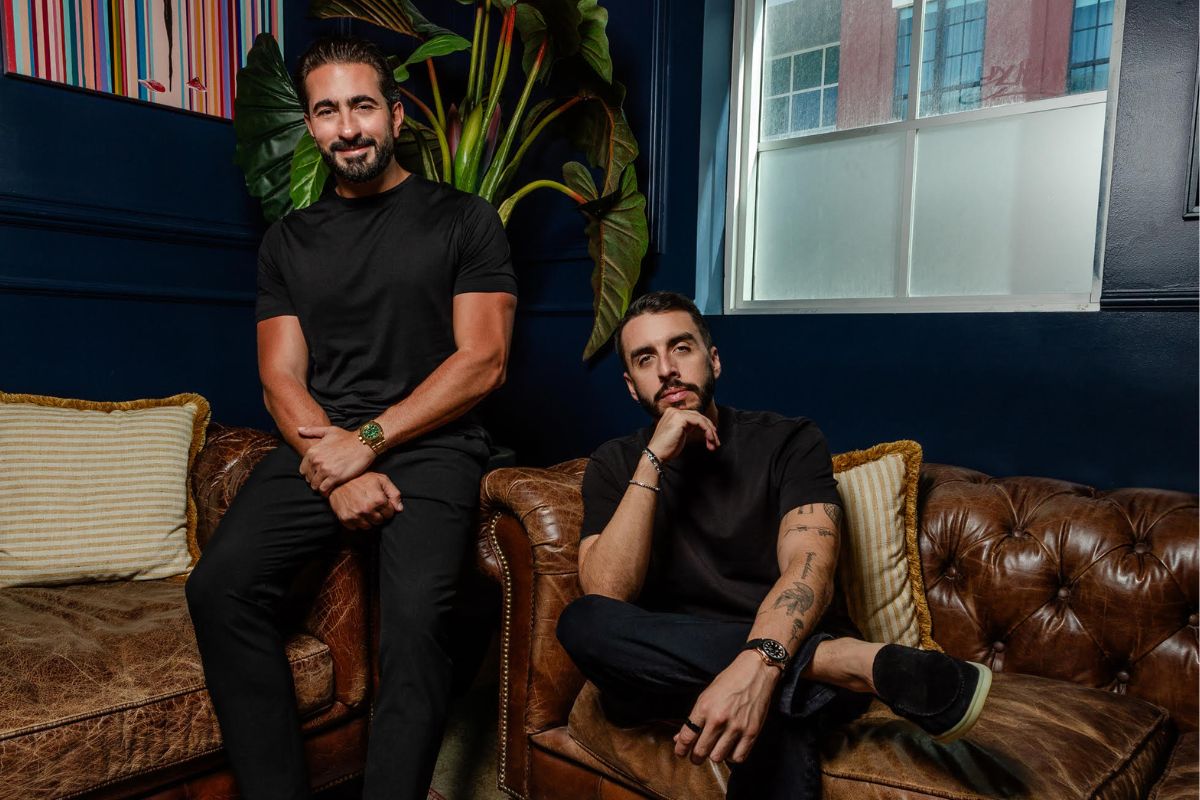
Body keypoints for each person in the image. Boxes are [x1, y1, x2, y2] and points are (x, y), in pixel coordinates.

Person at [186, 36, 517, 800]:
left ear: (395, 116)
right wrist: (332, 468)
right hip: (323, 443)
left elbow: (482, 363)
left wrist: (367, 442)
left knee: (416, 625)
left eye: (362, 105)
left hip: (434, 443)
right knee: (220, 588)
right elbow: (280, 376)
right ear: (310, 127)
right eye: (327, 111)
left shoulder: (464, 220)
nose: (348, 127)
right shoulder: (290, 242)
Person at [556, 291, 991, 799]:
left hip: (779, 641)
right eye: (646, 359)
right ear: (632, 387)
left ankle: (793, 674)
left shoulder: (789, 441)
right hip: (679, 660)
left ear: (713, 358)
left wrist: (758, 667)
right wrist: (652, 460)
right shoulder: (616, 463)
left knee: (779, 709)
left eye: (681, 347)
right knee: (582, 622)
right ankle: (845, 661)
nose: (668, 370)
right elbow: (607, 594)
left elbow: (809, 566)